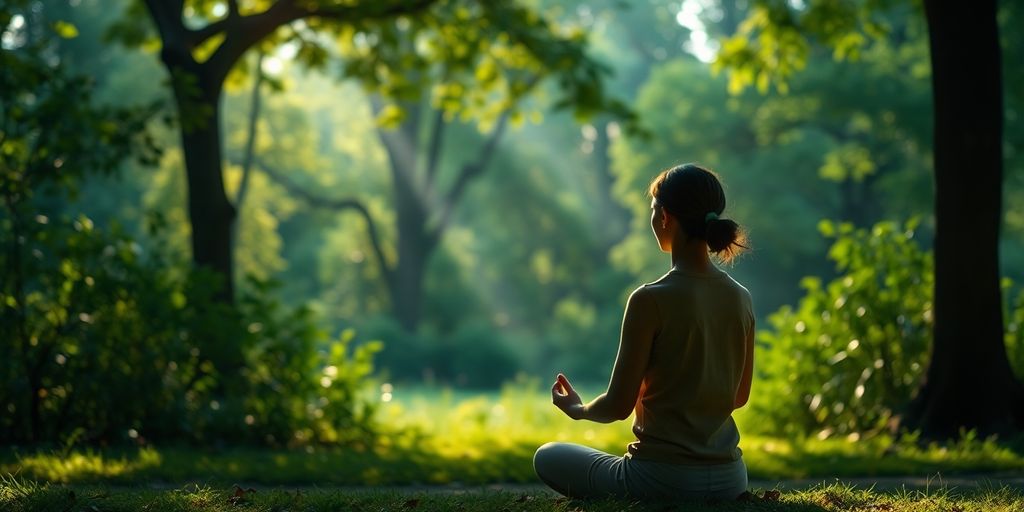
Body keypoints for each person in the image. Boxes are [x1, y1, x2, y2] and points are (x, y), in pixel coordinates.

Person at [533, 163, 755, 501]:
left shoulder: (650, 299)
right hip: (730, 479)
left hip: (662, 480)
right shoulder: (741, 297)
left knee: (547, 455)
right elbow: (738, 397)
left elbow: (617, 407)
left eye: (652, 210)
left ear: (665, 216)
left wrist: (578, 410)